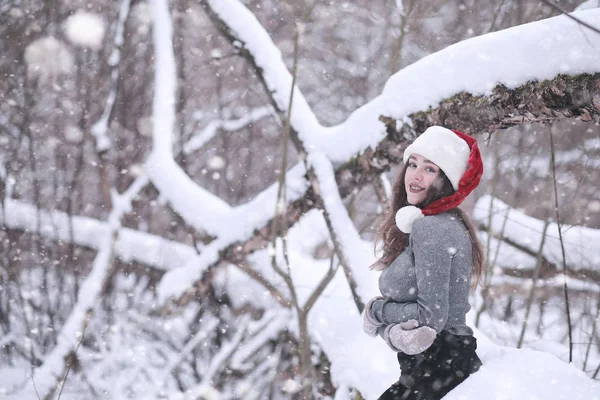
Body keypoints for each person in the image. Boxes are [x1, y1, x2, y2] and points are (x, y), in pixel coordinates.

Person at [362, 126, 485, 400]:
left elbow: (432, 318)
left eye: (430, 169)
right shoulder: (438, 224)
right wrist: (390, 329)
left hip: (441, 368)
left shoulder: (433, 228)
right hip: (430, 371)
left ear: (446, 180)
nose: (415, 175)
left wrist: (378, 311)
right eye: (413, 163)